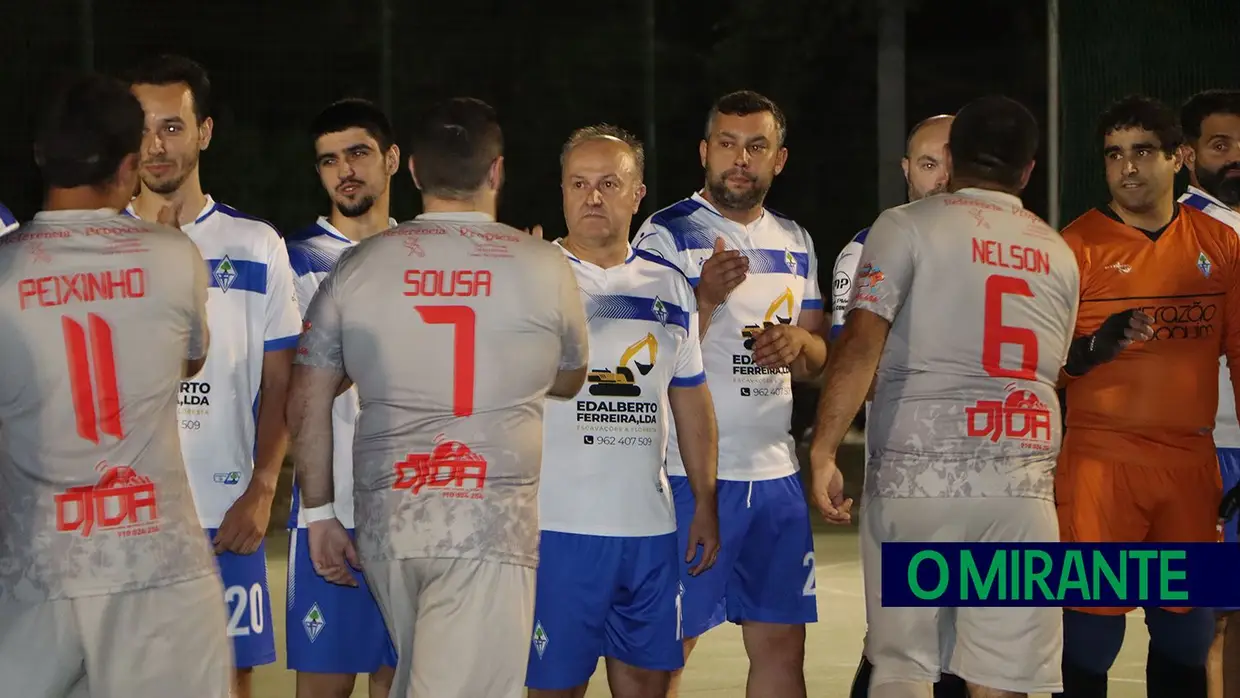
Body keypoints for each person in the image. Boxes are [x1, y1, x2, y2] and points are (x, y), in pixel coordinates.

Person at [286, 96, 590, 698]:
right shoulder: (544, 265)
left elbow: (307, 394)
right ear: (497, 171)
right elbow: (570, 376)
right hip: (487, 522)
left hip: (388, 518)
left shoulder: (357, 265)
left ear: (416, 170)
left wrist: (319, 512)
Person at [810, 95, 1083, 698]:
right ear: (1028, 170)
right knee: (1003, 675)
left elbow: (859, 344)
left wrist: (825, 447)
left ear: (954, 157)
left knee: (906, 666)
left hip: (920, 481)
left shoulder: (905, 226)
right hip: (1020, 487)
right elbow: (1052, 368)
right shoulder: (1059, 252)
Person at [0, 73, 229, 697]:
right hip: (157, 577)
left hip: (34, 577)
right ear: (129, 165)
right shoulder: (172, 256)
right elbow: (187, 362)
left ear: (43, 155)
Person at [632, 90, 828, 698]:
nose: (740, 159)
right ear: (704, 152)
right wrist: (705, 299)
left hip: (775, 475)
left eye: (756, 146)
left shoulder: (795, 239)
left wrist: (797, 343)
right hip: (689, 477)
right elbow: (638, 356)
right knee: (664, 655)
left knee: (781, 651)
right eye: (727, 144)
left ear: (780, 159)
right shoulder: (665, 235)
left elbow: (821, 359)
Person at [123, 54, 302, 698]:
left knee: (229, 684)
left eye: (172, 127)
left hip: (223, 512)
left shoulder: (256, 245)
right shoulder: (97, 243)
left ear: (205, 133)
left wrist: (260, 489)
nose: (155, 145)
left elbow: (282, 381)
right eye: (142, 127)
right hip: (123, 518)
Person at [524, 124, 721, 698]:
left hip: (649, 532)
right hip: (556, 532)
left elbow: (691, 399)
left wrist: (705, 502)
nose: (592, 196)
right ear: (561, 191)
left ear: (637, 195)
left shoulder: (671, 286)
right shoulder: (535, 273)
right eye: (578, 183)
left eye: (609, 183)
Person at [1055, 95, 1240, 698]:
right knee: (1089, 644)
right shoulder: (1072, 247)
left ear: (1178, 158)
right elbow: (1035, 366)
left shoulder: (1223, 245)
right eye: (1114, 154)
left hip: (1190, 465)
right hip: (1097, 468)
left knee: (1187, 643)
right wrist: (1087, 353)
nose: (1127, 167)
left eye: (1142, 152)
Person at [831, 113, 969, 698]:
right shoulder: (865, 252)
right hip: (908, 474)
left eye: (952, 163)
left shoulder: (1005, 246)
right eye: (928, 163)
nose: (940, 178)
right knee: (897, 644)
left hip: (987, 473)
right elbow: (855, 360)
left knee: (970, 640)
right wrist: (826, 447)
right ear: (907, 170)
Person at [284, 98, 400, 698]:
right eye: (329, 160)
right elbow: (293, 388)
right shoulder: (295, 260)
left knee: (399, 681)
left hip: (413, 504)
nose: (344, 171)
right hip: (332, 507)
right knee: (323, 687)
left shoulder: (424, 255)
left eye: (358, 153)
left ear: (393, 159)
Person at [1179, 88, 1240, 698]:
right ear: (1189, 155)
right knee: (1212, 618)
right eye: (1221, 145)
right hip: (1212, 449)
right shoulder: (1183, 231)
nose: (1237, 158)